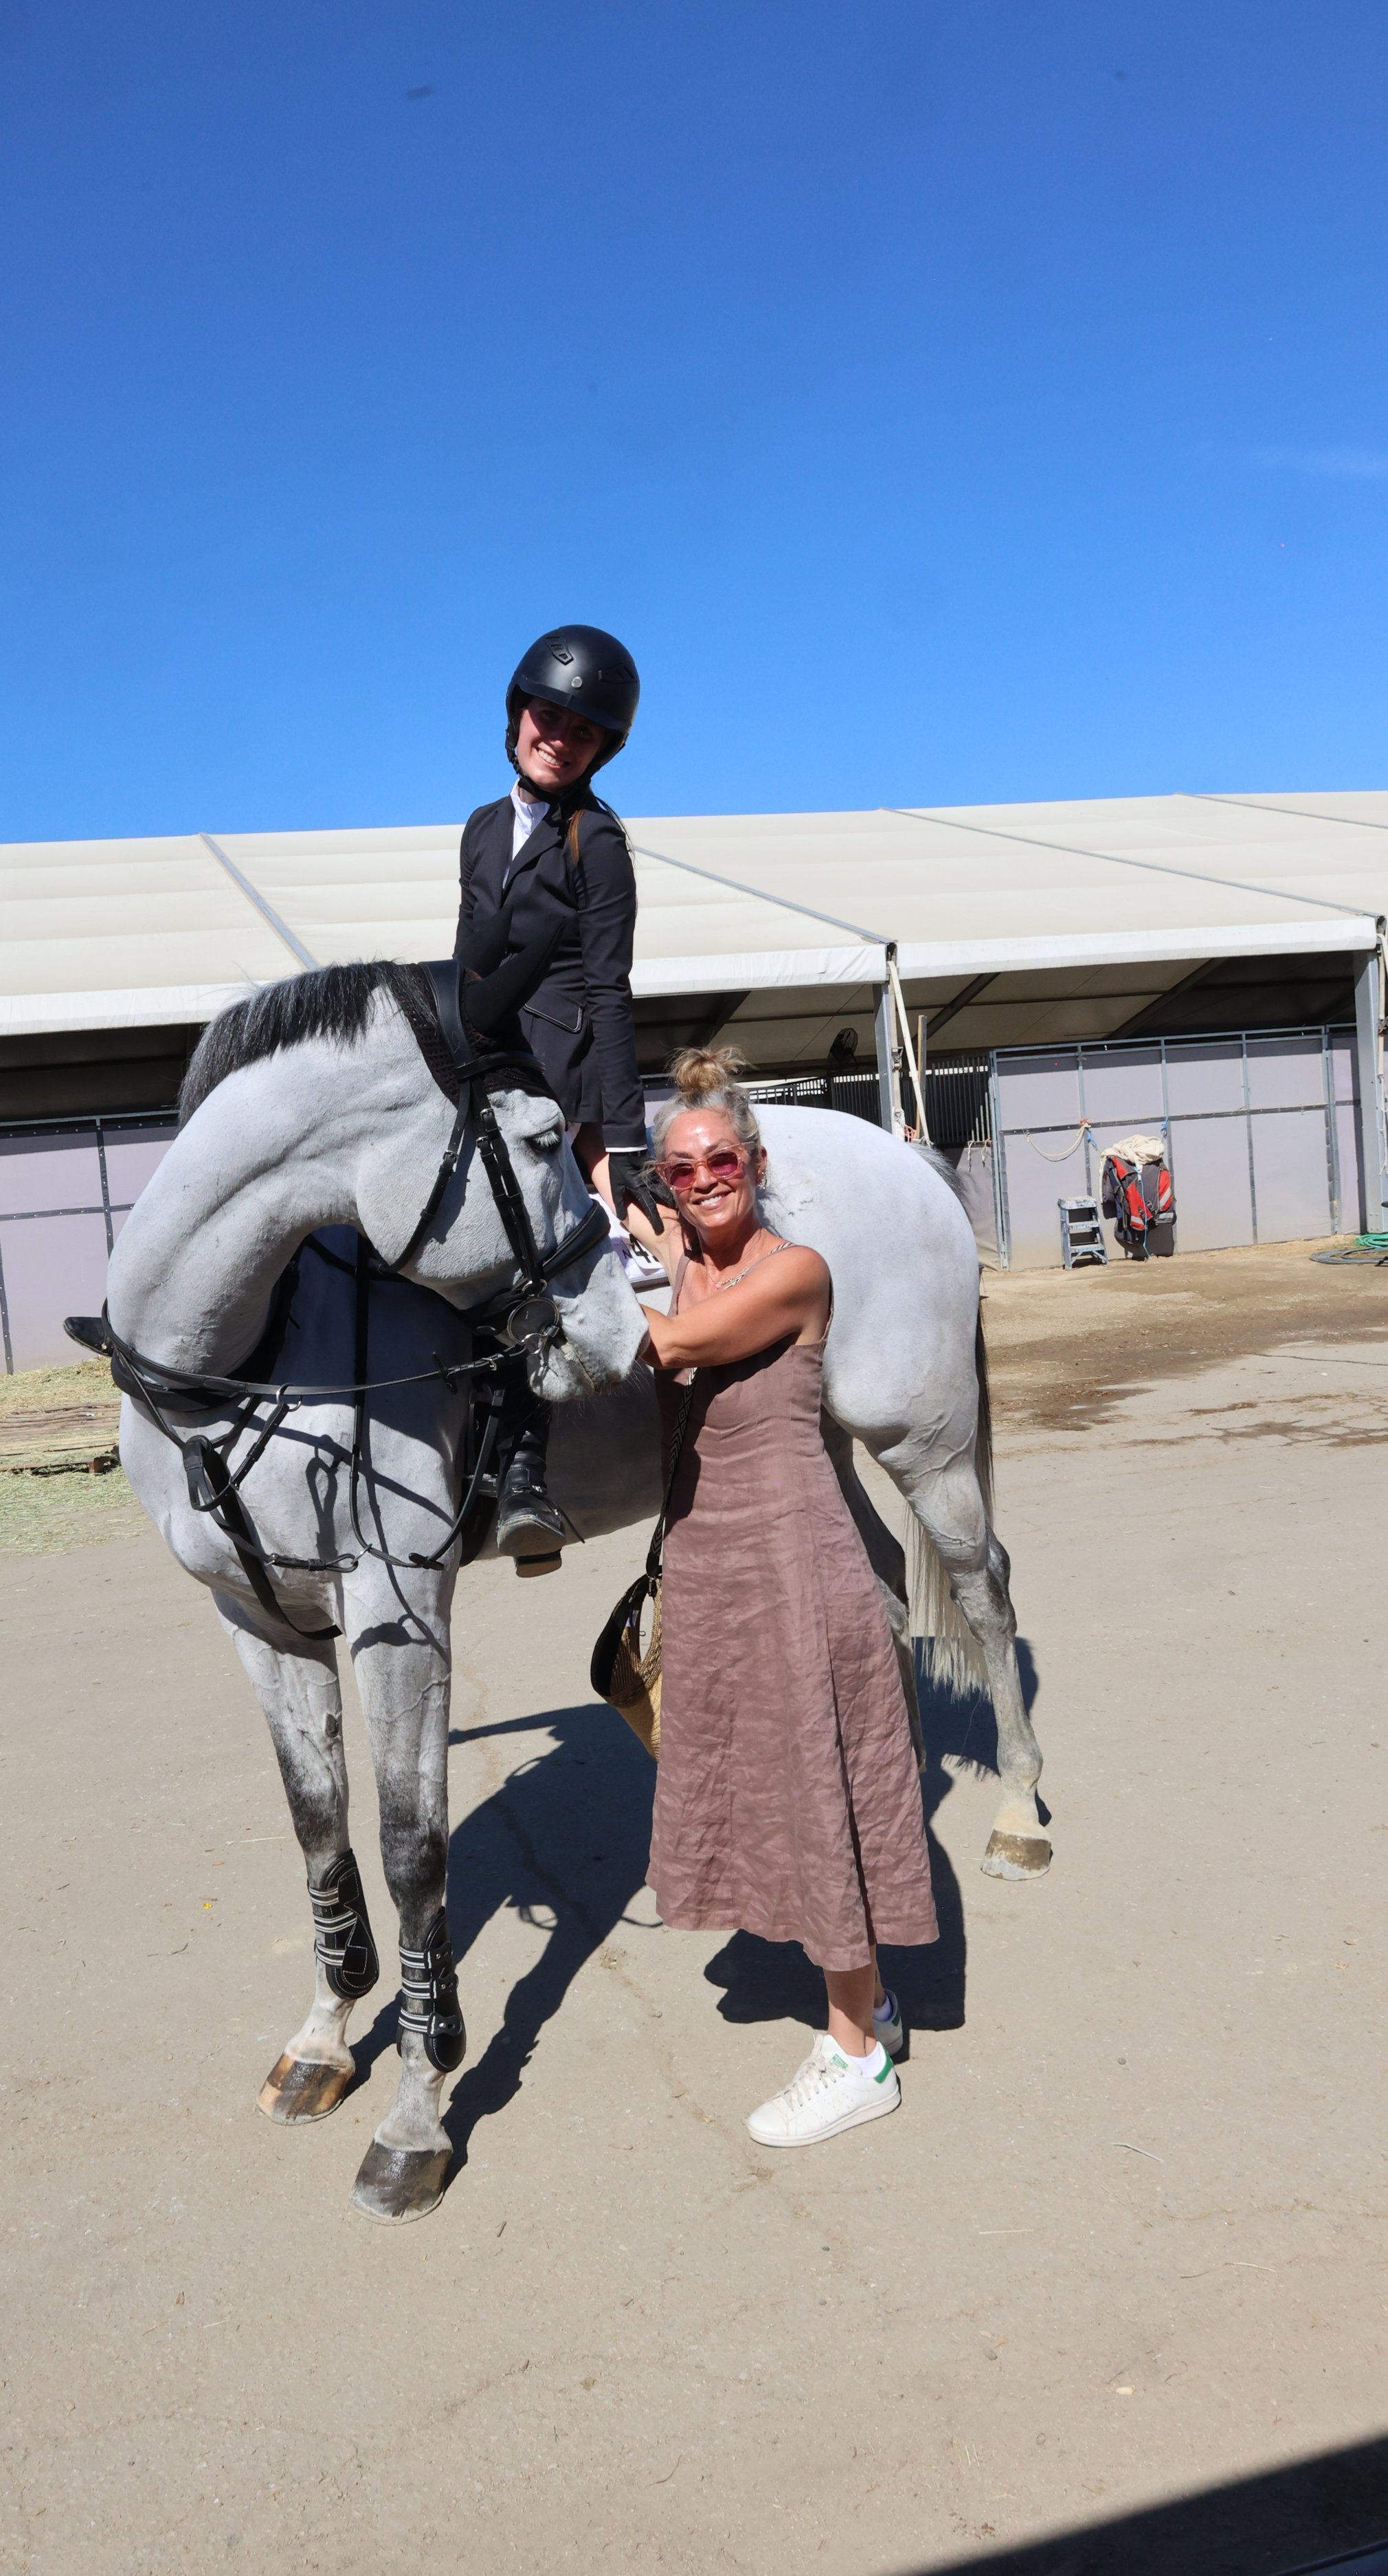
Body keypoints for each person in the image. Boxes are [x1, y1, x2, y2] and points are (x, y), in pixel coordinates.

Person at [623, 1046, 938, 2148]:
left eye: (722, 1159)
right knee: (774, 1798)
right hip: (720, 1579)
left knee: (821, 1802)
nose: (705, 1178)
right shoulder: (689, 1265)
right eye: (682, 1168)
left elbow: (671, 1345)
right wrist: (661, 1247)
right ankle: (874, 2008)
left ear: (754, 1163)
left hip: (797, 1572)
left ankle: (857, 2061)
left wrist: (593, 1289)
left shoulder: (796, 1272)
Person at [456, 625, 658, 1566]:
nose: (561, 738)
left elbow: (611, 990)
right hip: (490, 1070)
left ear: (602, 749)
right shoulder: (480, 829)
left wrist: (627, 1137)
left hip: (561, 1081)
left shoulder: (597, 841)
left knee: (523, 1267)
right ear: (517, 714)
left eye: (584, 731)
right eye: (549, 716)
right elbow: (470, 965)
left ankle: (528, 1471)